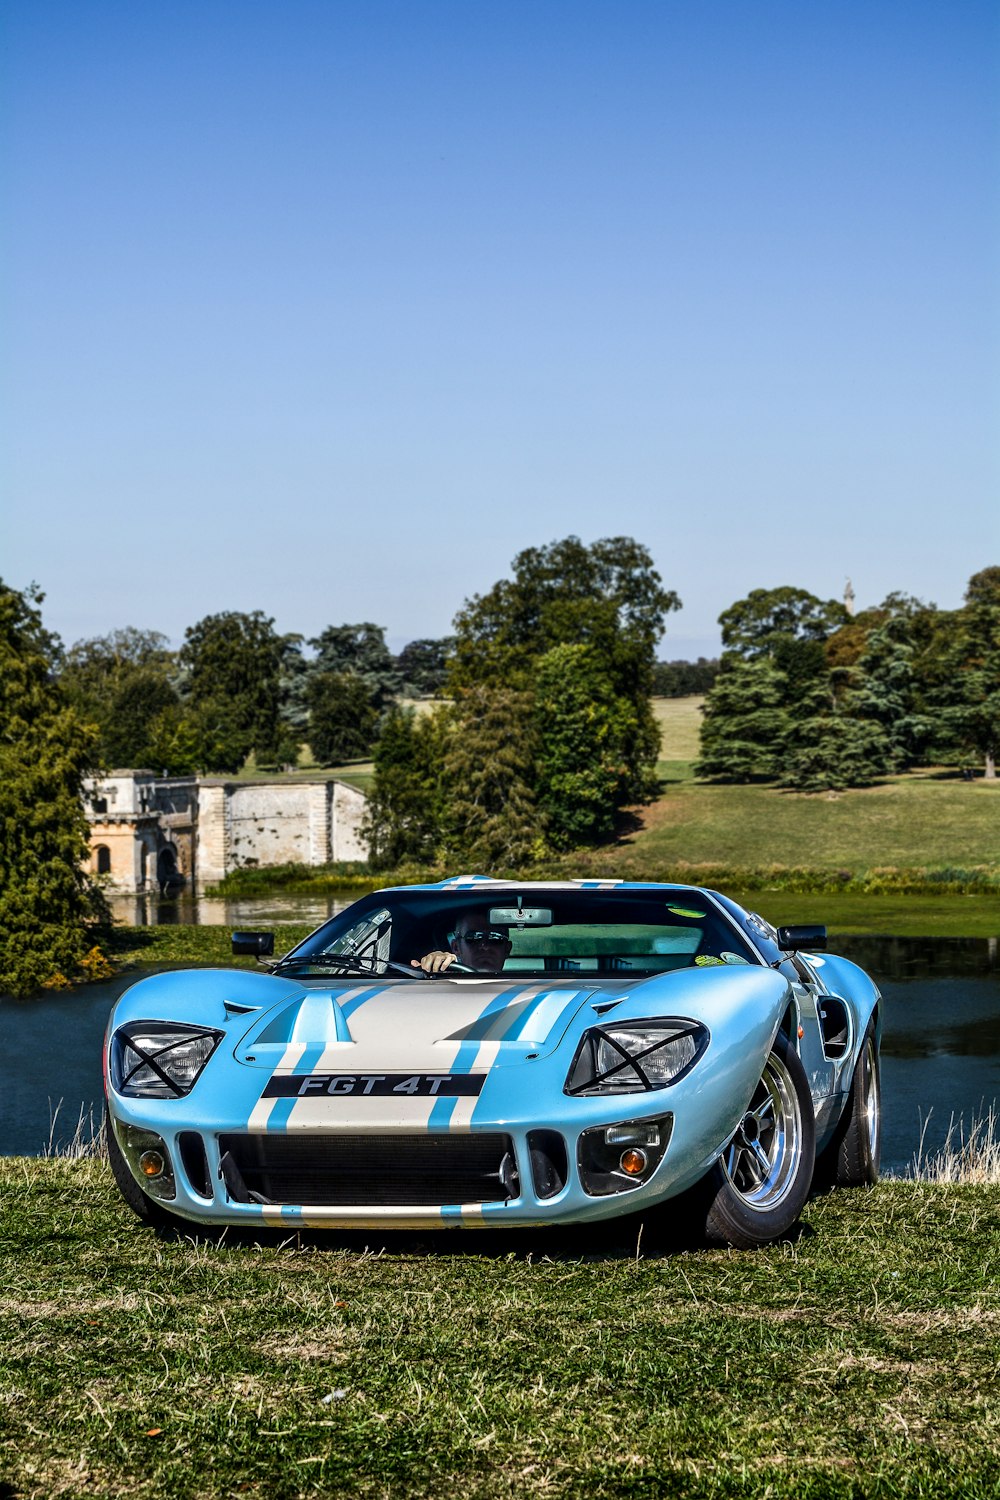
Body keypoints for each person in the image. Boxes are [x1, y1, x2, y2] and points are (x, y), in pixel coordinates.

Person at [412, 909, 512, 975]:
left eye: (495, 938)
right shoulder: (440, 984)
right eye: (473, 937)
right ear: (456, 947)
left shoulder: (525, 990)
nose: (484, 946)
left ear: (507, 949)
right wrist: (435, 966)